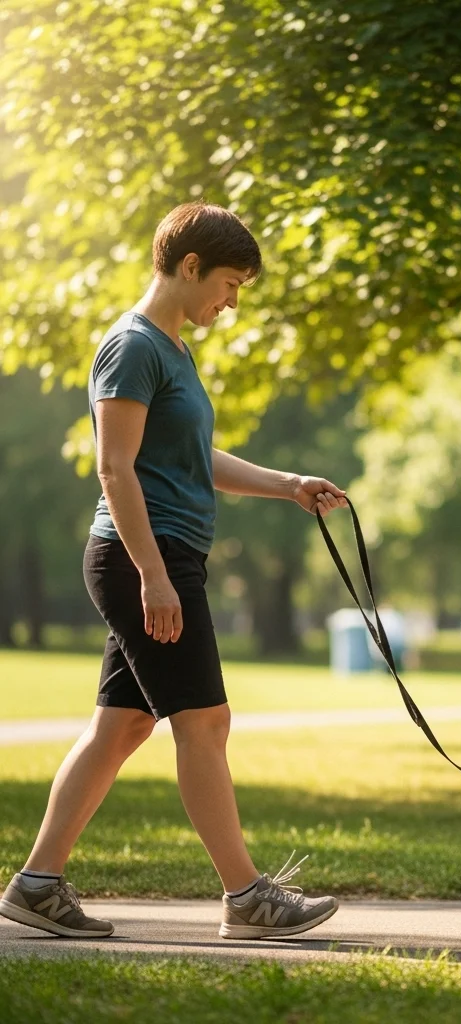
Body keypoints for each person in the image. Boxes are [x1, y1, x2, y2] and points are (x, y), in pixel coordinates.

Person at [0, 201, 348, 941]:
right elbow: (115, 468)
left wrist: (288, 484)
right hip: (144, 557)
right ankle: (247, 898)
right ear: (190, 266)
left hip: (164, 555)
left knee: (123, 726)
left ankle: (36, 885)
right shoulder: (133, 347)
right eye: (230, 283)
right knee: (205, 722)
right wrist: (153, 576)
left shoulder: (172, 350)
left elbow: (191, 458)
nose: (232, 301)